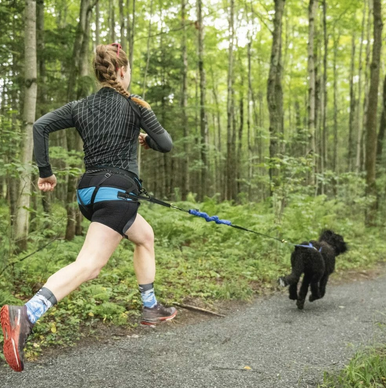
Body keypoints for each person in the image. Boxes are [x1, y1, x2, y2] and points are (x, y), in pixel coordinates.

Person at [0, 43, 177, 372]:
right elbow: (166, 144)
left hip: (89, 193)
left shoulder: (81, 106)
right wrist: (147, 140)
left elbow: (40, 126)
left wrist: (46, 173)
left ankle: (151, 307)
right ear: (122, 71)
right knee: (89, 265)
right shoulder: (135, 104)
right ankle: (26, 313)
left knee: (144, 236)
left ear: (100, 73)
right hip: (118, 192)